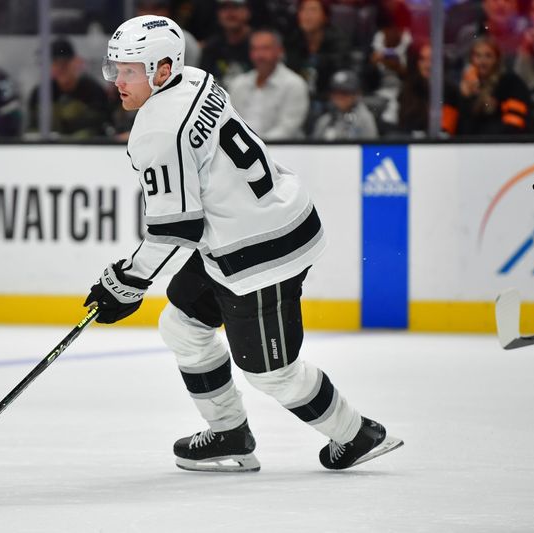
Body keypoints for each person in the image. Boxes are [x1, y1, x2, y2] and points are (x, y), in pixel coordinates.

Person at [86, 14, 403, 473]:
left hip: (261, 251)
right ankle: (229, 433)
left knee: (271, 372)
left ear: (161, 70)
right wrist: (131, 281)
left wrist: (128, 281)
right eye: (116, 67)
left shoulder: (156, 130)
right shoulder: (194, 79)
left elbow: (177, 229)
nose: (118, 80)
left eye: (130, 69)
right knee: (183, 326)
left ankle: (357, 434)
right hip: (250, 233)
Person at [228, 29, 308, 140]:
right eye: (255, 49)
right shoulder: (238, 84)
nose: (259, 55)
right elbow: (229, 121)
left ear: (279, 51)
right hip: (240, 150)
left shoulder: (294, 84)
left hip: (283, 150)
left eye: (265, 48)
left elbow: (287, 128)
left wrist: (254, 146)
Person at [27, 37, 112, 139]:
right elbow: (33, 129)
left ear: (75, 62)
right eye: (55, 63)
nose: (60, 68)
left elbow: (99, 127)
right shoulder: (40, 94)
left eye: (65, 63)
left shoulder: (93, 91)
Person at [284, 0, 351, 125]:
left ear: (325, 16)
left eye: (313, 10)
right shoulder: (292, 41)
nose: (307, 15)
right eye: (302, 10)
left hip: (327, 99)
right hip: (297, 98)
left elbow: (340, 77)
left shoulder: (339, 41)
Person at [456, 37, 531, 135]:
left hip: (503, 143)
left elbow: (514, 125)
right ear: (471, 59)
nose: (482, 62)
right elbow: (461, 131)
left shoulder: (511, 83)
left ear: (497, 59)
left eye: (488, 56)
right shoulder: (465, 88)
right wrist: (465, 99)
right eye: (478, 56)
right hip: (471, 146)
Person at [365, 0, 413, 127]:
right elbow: (367, 80)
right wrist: (373, 65)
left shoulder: (411, 44)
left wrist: (396, 66)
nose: (392, 32)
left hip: (405, 93)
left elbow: (414, 77)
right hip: (379, 92)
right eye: (388, 28)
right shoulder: (374, 41)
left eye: (397, 27)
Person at [398, 42, 461, 137]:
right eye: (422, 59)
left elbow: (446, 130)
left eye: (432, 60)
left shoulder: (450, 91)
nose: (427, 65)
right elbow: (403, 125)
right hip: (412, 143)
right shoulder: (408, 88)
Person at [199, 0, 253, 88]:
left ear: (247, 11)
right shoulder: (212, 47)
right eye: (224, 7)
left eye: (236, 7)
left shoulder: (260, 46)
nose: (230, 13)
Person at [312, 70, 379, 140]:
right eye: (335, 92)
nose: (339, 97)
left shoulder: (364, 118)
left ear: (357, 94)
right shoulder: (325, 119)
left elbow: (370, 148)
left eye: (345, 92)